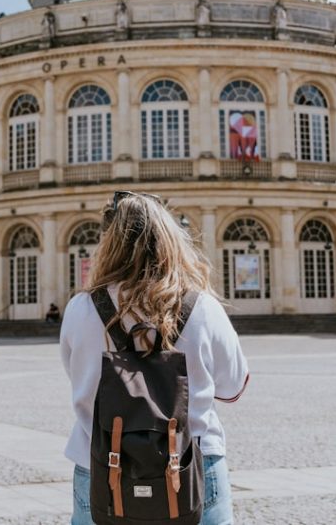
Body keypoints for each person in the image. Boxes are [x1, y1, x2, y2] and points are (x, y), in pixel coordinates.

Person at [60, 191, 249, 525]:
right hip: (192, 468)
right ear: (169, 240)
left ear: (108, 244)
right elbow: (233, 386)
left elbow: (78, 377)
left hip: (101, 467)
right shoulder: (202, 308)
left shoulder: (81, 309)